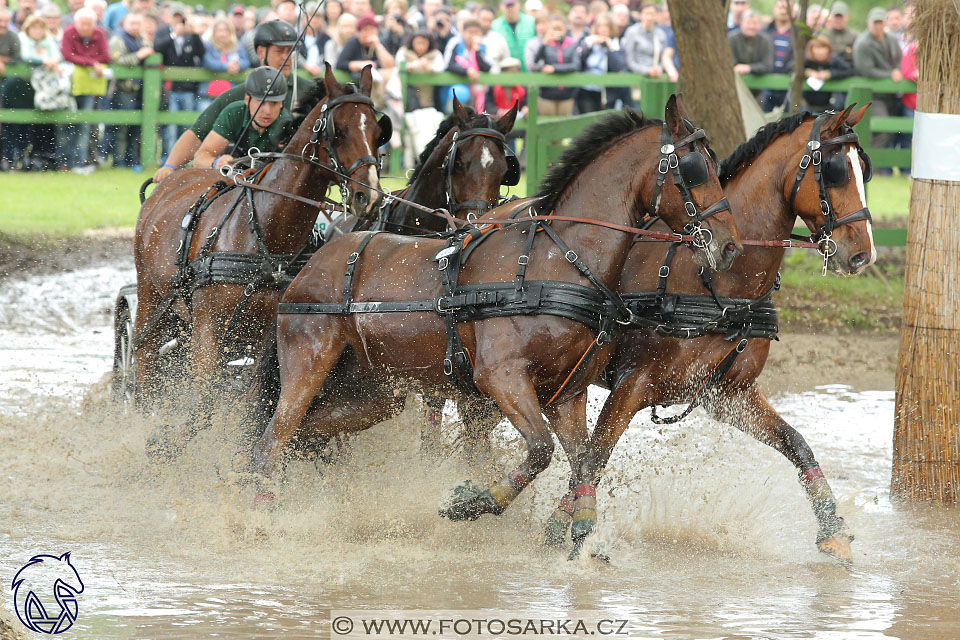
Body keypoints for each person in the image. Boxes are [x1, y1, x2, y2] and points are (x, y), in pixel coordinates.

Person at [154, 19, 303, 183]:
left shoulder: (309, 91)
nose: (286, 57)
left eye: (291, 51)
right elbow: (197, 133)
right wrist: (170, 166)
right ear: (261, 52)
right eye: (279, 51)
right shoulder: (236, 99)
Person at [194, 65, 290, 170]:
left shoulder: (285, 124)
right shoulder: (234, 112)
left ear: (281, 103)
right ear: (247, 99)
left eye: (274, 103)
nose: (267, 111)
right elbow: (200, 158)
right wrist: (216, 162)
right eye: (261, 102)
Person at [60, 6, 110, 172]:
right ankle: (63, 162)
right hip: (68, 85)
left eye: (89, 24)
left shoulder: (99, 34)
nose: (86, 28)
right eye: (83, 24)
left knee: (84, 124)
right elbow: (68, 55)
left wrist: (85, 61)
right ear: (76, 23)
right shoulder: (68, 33)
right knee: (66, 122)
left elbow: (105, 57)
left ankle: (79, 162)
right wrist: (91, 63)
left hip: (89, 87)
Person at [154, 6, 204, 160]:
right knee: (169, 126)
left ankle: (182, 159)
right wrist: (174, 35)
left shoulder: (191, 35)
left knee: (186, 126)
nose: (177, 20)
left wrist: (194, 34)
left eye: (179, 17)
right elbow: (158, 47)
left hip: (188, 88)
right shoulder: (164, 31)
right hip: (170, 88)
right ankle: (167, 158)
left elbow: (201, 53)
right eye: (175, 16)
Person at [106, 11, 153, 168]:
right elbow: (117, 61)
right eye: (132, 23)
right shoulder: (119, 39)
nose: (135, 27)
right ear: (124, 24)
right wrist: (138, 55)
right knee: (121, 127)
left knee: (136, 127)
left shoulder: (142, 40)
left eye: (138, 24)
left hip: (138, 89)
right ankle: (119, 161)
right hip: (122, 89)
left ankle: (132, 160)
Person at [854, 7, 903, 151]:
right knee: (882, 129)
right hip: (872, 95)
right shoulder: (862, 43)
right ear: (868, 23)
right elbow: (866, 70)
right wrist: (891, 74)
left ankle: (878, 166)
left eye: (880, 22)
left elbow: (900, 59)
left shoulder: (892, 39)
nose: (878, 25)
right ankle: (872, 165)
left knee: (890, 130)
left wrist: (898, 71)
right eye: (875, 22)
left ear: (885, 23)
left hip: (890, 94)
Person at [529, 13, 579, 117]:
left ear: (565, 29)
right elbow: (535, 63)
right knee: (547, 125)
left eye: (560, 28)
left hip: (566, 94)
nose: (557, 32)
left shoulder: (572, 44)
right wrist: (543, 44)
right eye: (554, 29)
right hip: (547, 93)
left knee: (564, 126)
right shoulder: (546, 44)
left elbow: (575, 66)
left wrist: (554, 68)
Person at [200, 17, 250, 109]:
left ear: (230, 32)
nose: (222, 34)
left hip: (230, 96)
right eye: (219, 31)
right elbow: (208, 62)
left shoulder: (238, 46)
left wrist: (238, 66)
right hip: (209, 96)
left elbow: (246, 61)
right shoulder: (208, 45)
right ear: (214, 32)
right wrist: (226, 66)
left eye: (225, 30)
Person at [444, 17, 489, 112]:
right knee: (457, 93)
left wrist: (477, 51)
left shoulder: (484, 46)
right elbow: (449, 65)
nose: (473, 35)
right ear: (463, 33)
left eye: (476, 32)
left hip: (479, 89)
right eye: (470, 32)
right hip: (460, 85)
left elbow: (487, 67)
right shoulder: (456, 44)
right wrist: (467, 71)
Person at [577, 14, 617, 114]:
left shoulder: (615, 43)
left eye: (606, 26)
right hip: (587, 88)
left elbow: (617, 66)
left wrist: (610, 47)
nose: (603, 29)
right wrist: (590, 45)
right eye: (600, 26)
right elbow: (579, 61)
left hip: (606, 91)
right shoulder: (588, 40)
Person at [802, 36, 852, 110]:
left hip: (831, 106)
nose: (820, 52)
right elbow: (790, 68)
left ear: (828, 49)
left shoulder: (834, 60)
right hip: (807, 105)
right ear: (811, 49)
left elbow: (849, 70)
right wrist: (807, 72)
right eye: (817, 48)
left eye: (823, 48)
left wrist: (830, 74)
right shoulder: (807, 60)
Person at [397, 29, 442, 111]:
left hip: (428, 94)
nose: (421, 46)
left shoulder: (435, 53)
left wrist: (430, 67)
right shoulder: (404, 52)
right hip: (409, 93)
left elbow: (441, 67)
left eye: (424, 43)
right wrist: (412, 65)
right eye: (418, 42)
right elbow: (398, 66)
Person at [622, 2, 665, 78]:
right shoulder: (632, 32)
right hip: (637, 77)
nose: (649, 17)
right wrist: (647, 70)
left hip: (657, 76)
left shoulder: (660, 34)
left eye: (652, 14)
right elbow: (629, 59)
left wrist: (659, 69)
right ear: (640, 15)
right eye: (646, 14)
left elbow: (664, 57)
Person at [490, 0, 535, 71]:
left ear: (518, 5)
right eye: (507, 6)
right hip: (506, 75)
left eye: (512, 6)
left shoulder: (531, 22)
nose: (510, 9)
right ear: (501, 7)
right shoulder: (495, 26)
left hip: (529, 73)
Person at [729, 10, 772, 76]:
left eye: (755, 23)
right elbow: (731, 64)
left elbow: (768, 65)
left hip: (759, 82)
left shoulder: (764, 40)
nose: (751, 27)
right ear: (741, 23)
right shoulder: (732, 39)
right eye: (748, 23)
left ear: (760, 25)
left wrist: (749, 68)